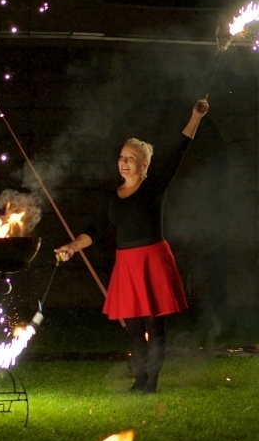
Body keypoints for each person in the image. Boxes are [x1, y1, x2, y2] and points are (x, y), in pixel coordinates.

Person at [54, 100, 209, 393]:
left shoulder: (154, 186)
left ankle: (152, 382)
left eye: (131, 158)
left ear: (144, 165)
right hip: (126, 264)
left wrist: (195, 117)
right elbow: (95, 229)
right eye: (122, 157)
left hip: (152, 259)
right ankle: (139, 380)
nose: (124, 162)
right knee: (135, 330)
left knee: (154, 326)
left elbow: (179, 150)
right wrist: (73, 246)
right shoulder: (111, 197)